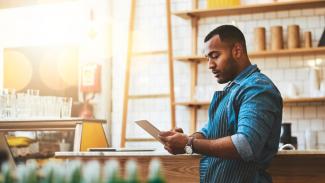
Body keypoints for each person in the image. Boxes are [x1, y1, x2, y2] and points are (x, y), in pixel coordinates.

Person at [159, 25, 283, 183]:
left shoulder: (257, 88)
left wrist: (189, 143)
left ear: (237, 50)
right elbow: (208, 131)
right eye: (208, 58)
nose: (210, 64)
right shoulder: (233, 89)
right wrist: (183, 139)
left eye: (215, 55)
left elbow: (245, 145)